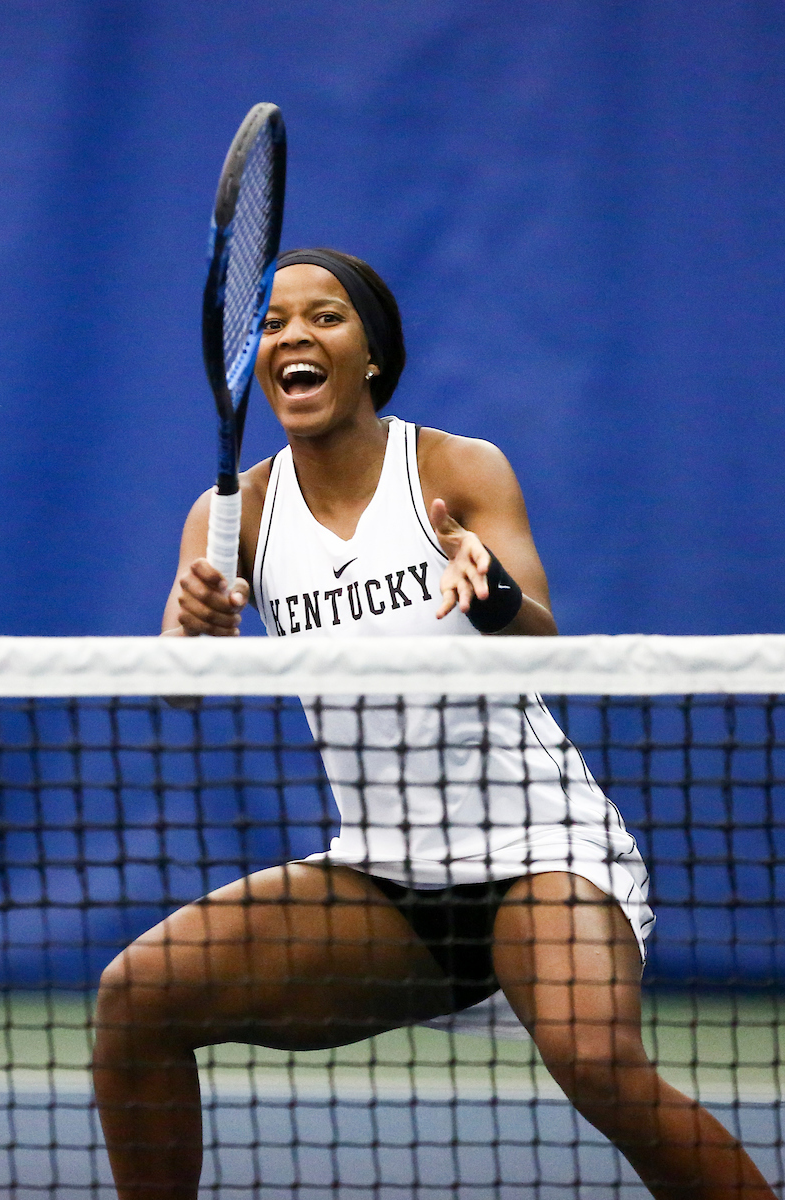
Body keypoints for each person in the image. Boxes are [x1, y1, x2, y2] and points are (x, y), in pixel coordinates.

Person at [93, 248, 774, 1200]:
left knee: (595, 1061)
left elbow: (543, 643)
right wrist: (190, 629)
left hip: (543, 852)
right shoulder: (234, 513)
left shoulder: (455, 468)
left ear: (372, 353)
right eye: (273, 322)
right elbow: (180, 685)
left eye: (325, 316)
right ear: (255, 361)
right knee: (136, 1000)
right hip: (389, 875)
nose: (293, 335)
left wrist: (491, 596)